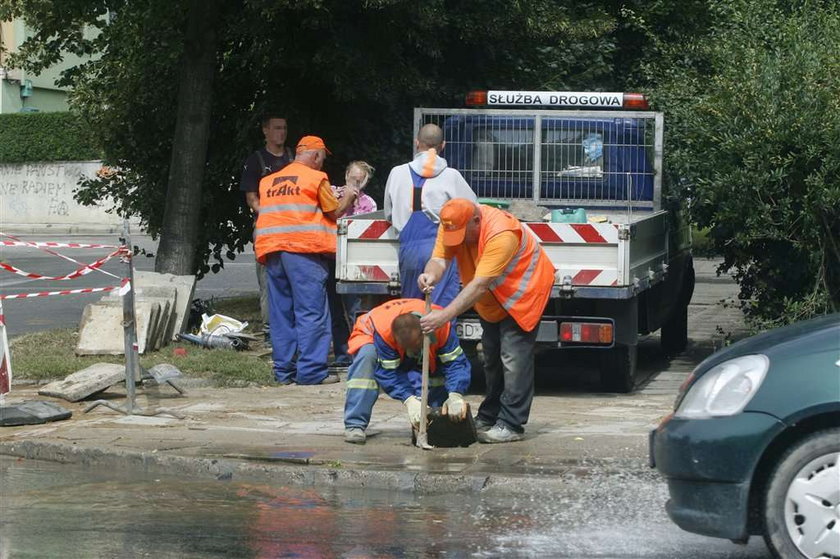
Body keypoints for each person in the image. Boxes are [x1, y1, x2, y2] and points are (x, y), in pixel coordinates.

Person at [417, 199, 556, 443]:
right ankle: (490, 415)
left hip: (523, 295)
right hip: (492, 299)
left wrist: (444, 316)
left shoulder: (501, 234)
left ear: (476, 221)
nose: (456, 240)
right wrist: (430, 274)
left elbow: (480, 284)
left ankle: (511, 424)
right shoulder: (452, 223)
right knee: (491, 358)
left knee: (513, 359)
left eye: (462, 234)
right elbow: (440, 259)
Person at [254, 135, 359, 385]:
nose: (322, 164)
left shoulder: (268, 182)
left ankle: (284, 372)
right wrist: (350, 196)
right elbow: (334, 211)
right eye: (322, 158)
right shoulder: (315, 178)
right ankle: (311, 372)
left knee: (281, 315)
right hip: (303, 253)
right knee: (311, 313)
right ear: (314, 156)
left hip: (273, 253)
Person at [343, 298, 471, 444]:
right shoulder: (384, 333)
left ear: (423, 335)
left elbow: (455, 363)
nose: (412, 351)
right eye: (407, 348)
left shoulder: (440, 324)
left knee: (438, 366)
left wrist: (455, 394)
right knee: (367, 359)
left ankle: (435, 419)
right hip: (370, 335)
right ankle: (355, 424)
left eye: (414, 347)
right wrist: (409, 399)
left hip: (424, 333)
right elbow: (388, 373)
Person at [383, 123, 476, 307]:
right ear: (443, 145)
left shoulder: (397, 173)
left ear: (417, 143)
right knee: (440, 312)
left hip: (409, 250)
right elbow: (473, 212)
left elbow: (389, 214)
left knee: (411, 309)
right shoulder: (452, 176)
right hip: (443, 250)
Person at [239, 114, 294, 344]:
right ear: (265, 131)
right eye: (277, 128)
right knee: (268, 280)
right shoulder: (257, 161)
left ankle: (292, 328)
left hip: (293, 229)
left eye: (284, 128)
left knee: (293, 279)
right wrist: (272, 213)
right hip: (267, 230)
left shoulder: (294, 159)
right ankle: (271, 331)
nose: (281, 132)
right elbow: (251, 198)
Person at [327, 161, 378, 367]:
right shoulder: (332, 194)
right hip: (330, 256)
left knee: (355, 309)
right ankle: (341, 354)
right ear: (346, 175)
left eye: (361, 179)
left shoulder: (369, 204)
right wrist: (347, 199)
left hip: (354, 262)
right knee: (334, 309)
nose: (356, 183)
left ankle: (358, 352)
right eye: (353, 178)